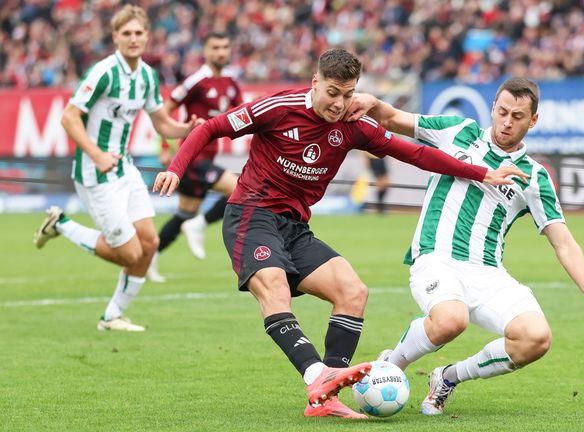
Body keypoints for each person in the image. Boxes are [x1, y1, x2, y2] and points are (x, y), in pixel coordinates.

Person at [152, 48, 528, 419]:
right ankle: (318, 378)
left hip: (295, 227)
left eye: (348, 94)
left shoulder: (353, 124)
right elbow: (209, 127)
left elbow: (413, 154)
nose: (339, 103)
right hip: (253, 214)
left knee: (353, 291)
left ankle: (328, 394)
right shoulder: (278, 108)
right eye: (333, 92)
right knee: (275, 286)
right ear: (315, 83)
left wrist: (481, 173)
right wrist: (177, 168)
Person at [345, 77, 584, 415]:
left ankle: (448, 377)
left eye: (518, 116)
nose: (507, 122)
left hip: (487, 271)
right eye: (503, 112)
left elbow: (562, 240)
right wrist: (371, 102)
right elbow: (393, 118)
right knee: (451, 320)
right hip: (436, 257)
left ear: (533, 120)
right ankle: (391, 365)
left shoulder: (535, 176)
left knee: (535, 338)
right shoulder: (458, 131)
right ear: (493, 107)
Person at [32, 5, 202, 331]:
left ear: (148, 36)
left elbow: (160, 122)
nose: (134, 38)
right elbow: (69, 116)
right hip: (95, 174)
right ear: (115, 37)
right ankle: (61, 223)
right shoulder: (103, 72)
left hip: (125, 169)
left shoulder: (148, 77)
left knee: (149, 245)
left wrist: (185, 129)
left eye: (139, 33)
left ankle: (112, 316)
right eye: (127, 33)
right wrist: (96, 154)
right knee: (129, 254)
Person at [148, 32, 243, 283]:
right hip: (192, 157)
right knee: (239, 190)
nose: (221, 52)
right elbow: (164, 111)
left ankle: (150, 256)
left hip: (210, 158)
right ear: (206, 51)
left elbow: (242, 115)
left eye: (225, 46)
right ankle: (200, 224)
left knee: (185, 214)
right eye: (216, 47)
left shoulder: (232, 82)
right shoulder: (195, 82)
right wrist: (165, 145)